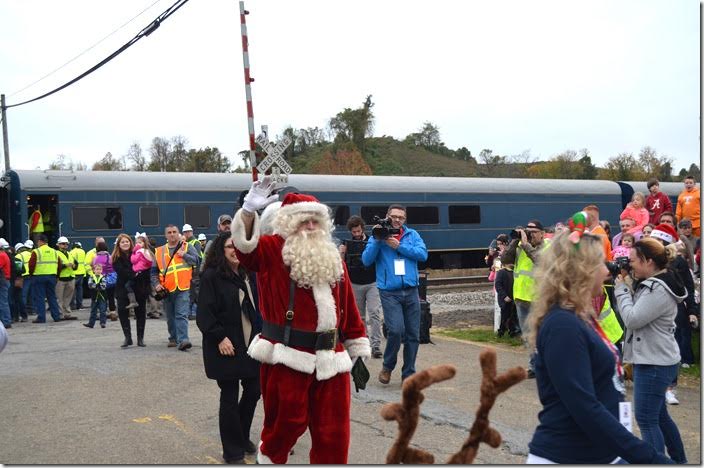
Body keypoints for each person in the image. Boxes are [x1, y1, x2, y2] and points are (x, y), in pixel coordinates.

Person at [231, 177, 370, 464]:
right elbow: (246, 249)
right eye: (303, 222)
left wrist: (356, 347)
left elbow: (349, 307)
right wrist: (248, 211)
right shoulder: (272, 250)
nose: (309, 227)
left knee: (334, 434)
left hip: (332, 359)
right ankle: (268, 458)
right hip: (288, 357)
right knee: (285, 427)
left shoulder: (332, 257)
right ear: (289, 224)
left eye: (314, 222)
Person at [525, 226, 673, 464]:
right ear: (581, 270)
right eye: (601, 264)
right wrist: (648, 457)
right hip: (568, 455)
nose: (607, 270)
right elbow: (584, 406)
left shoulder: (579, 316)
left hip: (599, 452)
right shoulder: (563, 326)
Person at [613, 235, 687, 463]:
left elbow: (633, 318)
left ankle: (654, 463)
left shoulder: (658, 289)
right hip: (657, 357)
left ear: (648, 262)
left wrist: (621, 290)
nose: (630, 265)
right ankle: (679, 461)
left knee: (646, 419)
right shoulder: (659, 282)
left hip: (654, 361)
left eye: (633, 260)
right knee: (660, 416)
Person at [197, 232, 261, 464]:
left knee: (255, 389)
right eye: (229, 246)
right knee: (230, 395)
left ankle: (241, 435)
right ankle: (233, 450)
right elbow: (204, 314)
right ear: (220, 251)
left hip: (250, 344)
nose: (235, 250)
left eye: (238, 246)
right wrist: (220, 338)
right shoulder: (211, 277)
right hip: (225, 345)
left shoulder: (247, 273)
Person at [362, 204, 428, 385]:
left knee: (413, 334)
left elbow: (423, 255)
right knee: (396, 331)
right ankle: (388, 366)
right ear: (387, 216)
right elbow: (366, 260)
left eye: (401, 217)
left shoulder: (412, 235)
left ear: (404, 219)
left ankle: (408, 373)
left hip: (411, 290)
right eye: (394, 216)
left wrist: (399, 247)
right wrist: (377, 239)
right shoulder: (378, 235)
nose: (397, 220)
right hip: (389, 292)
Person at [504, 220, 549, 378]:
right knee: (528, 335)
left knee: (543, 335)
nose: (530, 234)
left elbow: (541, 262)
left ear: (542, 233)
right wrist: (515, 241)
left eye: (534, 232)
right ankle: (534, 365)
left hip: (539, 299)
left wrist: (526, 246)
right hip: (521, 298)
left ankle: (546, 365)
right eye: (528, 231)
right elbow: (504, 259)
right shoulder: (520, 246)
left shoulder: (548, 246)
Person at [339, 215, 383, 358]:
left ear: (362, 229)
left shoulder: (372, 240)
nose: (357, 234)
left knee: (374, 312)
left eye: (358, 231)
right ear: (351, 231)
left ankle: (376, 345)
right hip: (355, 282)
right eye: (354, 232)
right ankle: (364, 343)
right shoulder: (346, 243)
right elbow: (341, 265)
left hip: (372, 281)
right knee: (360, 316)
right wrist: (342, 253)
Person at [151, 225, 199, 351]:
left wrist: (184, 255)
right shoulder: (159, 251)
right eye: (169, 232)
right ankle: (173, 338)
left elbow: (197, 261)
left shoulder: (187, 247)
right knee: (170, 316)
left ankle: (183, 340)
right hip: (166, 289)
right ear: (165, 235)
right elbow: (153, 271)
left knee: (181, 314)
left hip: (183, 287)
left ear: (178, 234)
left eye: (174, 232)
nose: (172, 234)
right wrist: (156, 284)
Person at [113, 233, 149, 348]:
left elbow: (146, 266)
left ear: (131, 242)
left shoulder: (137, 253)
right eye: (122, 242)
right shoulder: (115, 257)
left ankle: (140, 338)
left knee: (141, 313)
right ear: (118, 244)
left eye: (127, 241)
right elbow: (122, 272)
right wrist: (135, 274)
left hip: (138, 287)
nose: (125, 243)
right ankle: (128, 337)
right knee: (123, 312)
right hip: (123, 288)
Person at [28, 234, 62, 323]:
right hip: (52, 277)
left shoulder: (36, 251)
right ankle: (56, 316)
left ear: (40, 241)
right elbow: (59, 265)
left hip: (39, 277)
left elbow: (31, 265)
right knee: (52, 297)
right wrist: (57, 276)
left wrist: (31, 274)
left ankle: (41, 318)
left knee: (40, 297)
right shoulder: (54, 252)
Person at [494, 249, 519, 338]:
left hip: (513, 297)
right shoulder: (501, 272)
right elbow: (498, 285)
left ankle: (512, 332)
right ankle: (501, 331)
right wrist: (504, 296)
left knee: (513, 316)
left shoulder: (514, 272)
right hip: (505, 299)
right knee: (505, 316)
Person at [91, 240, 117, 322]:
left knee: (103, 297)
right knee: (111, 296)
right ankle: (113, 313)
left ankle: (103, 314)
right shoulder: (110, 257)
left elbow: (94, 268)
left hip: (101, 279)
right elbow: (113, 267)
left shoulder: (95, 258)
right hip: (110, 279)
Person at [55, 236, 78, 320]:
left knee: (68, 297)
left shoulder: (69, 254)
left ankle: (67, 313)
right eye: (63, 244)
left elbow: (76, 264)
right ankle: (60, 314)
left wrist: (75, 266)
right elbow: (55, 265)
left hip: (70, 278)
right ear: (58, 245)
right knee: (59, 298)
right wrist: (65, 265)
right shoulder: (56, 253)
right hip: (60, 278)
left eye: (66, 244)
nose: (65, 245)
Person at [182, 224, 202, 320]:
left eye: (188, 231)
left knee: (195, 292)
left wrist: (195, 269)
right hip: (189, 270)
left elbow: (197, 258)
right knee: (191, 292)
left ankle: (195, 312)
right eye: (185, 232)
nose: (187, 233)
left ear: (191, 232)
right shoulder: (184, 243)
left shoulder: (195, 242)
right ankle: (190, 312)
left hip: (195, 271)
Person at [83, 264, 108, 329]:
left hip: (102, 297)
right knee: (93, 310)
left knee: (103, 310)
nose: (98, 271)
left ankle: (103, 322)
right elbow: (90, 285)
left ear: (102, 270)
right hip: (94, 297)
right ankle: (91, 323)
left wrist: (97, 286)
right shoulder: (91, 277)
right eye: (97, 269)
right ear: (94, 270)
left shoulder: (103, 277)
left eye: (100, 269)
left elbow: (104, 286)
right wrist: (96, 286)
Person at [17, 240, 35, 316]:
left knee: (23, 295)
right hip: (32, 275)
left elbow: (18, 269)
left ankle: (23, 312)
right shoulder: (31, 254)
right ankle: (32, 310)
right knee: (31, 294)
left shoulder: (18, 256)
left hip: (23, 277)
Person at [70, 241, 86, 310]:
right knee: (80, 289)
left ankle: (72, 305)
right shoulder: (83, 251)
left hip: (74, 273)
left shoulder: (71, 252)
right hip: (81, 273)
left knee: (72, 290)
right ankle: (80, 305)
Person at [0, 239, 12, 328]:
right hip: (5, 280)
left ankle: (6, 321)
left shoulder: (1, 255)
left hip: (2, 281)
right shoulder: (5, 255)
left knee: (3, 302)